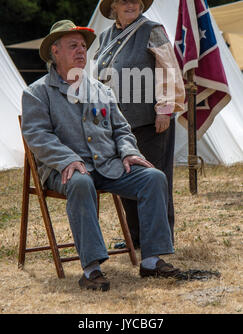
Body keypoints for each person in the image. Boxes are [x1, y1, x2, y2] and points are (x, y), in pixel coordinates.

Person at [21, 19, 180, 292]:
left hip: (108, 165)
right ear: (55, 51)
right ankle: (91, 269)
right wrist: (67, 159)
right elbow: (37, 135)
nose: (81, 51)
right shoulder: (37, 92)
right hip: (66, 170)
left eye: (83, 46)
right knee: (82, 182)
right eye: (73, 46)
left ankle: (152, 261)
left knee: (153, 177)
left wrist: (129, 152)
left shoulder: (101, 89)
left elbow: (121, 129)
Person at [94, 0, 185, 246]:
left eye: (135, 1)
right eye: (124, 1)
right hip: (117, 124)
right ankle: (136, 236)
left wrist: (165, 109)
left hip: (149, 119)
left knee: (155, 178)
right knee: (126, 179)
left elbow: (168, 69)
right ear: (114, 8)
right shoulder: (105, 38)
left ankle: (159, 238)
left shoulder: (152, 30)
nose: (131, 4)